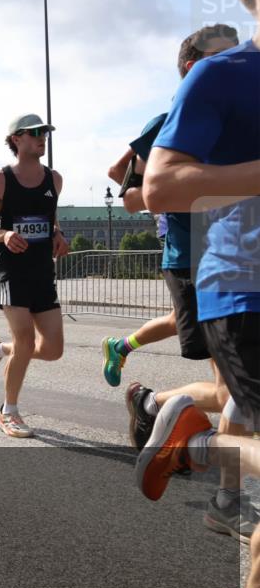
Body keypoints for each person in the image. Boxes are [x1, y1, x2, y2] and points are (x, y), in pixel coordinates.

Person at [135, 0, 260, 588]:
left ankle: (203, 445)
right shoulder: (222, 76)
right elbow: (157, 186)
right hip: (246, 290)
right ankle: (203, 446)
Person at [107, 25, 252, 541]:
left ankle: (155, 406)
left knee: (229, 392)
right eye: (223, 55)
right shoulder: (171, 116)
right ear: (194, 66)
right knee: (231, 391)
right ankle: (224, 494)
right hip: (199, 262)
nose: (236, 60)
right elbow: (133, 191)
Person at [102, 23, 241, 388]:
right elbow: (120, 173)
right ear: (195, 67)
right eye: (224, 58)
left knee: (181, 323)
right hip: (190, 256)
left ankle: (122, 348)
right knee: (228, 381)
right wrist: (157, 200)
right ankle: (153, 406)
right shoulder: (166, 122)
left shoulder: (234, 120)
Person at [0, 113, 69, 438]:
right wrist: (4, 235)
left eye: (45, 132)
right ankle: (8, 412)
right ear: (16, 139)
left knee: (52, 349)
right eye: (36, 132)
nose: (42, 137)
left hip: (42, 273)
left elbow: (49, 219)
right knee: (25, 339)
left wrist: (57, 235)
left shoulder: (55, 180)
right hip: (11, 273)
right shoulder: (0, 181)